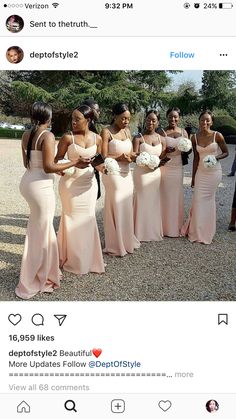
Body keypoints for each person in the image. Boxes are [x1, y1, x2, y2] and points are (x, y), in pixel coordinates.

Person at [15, 102, 83, 299]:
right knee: (44, 230)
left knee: (37, 228)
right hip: (41, 188)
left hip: (27, 182)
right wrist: (74, 162)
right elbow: (48, 167)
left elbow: (27, 163)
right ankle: (40, 274)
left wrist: (56, 169)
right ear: (49, 117)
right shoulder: (48, 135)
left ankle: (35, 268)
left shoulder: (26, 135)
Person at [56, 104, 105, 274]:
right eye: (72, 119)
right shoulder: (67, 138)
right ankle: (72, 259)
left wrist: (106, 169)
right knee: (71, 219)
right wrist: (64, 169)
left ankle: (88, 258)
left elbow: (98, 163)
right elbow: (57, 161)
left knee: (88, 219)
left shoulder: (98, 139)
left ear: (88, 120)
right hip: (70, 186)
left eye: (77, 119)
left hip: (89, 186)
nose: (73, 122)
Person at [182, 110, 228, 244]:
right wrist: (193, 177)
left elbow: (226, 152)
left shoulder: (217, 136)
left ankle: (207, 231)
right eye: (203, 120)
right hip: (201, 173)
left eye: (208, 120)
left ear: (211, 122)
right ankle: (196, 231)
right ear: (199, 121)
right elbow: (196, 158)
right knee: (197, 200)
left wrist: (216, 158)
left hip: (214, 173)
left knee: (208, 201)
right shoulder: (194, 137)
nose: (205, 122)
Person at [101, 102, 140, 256]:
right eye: (123, 118)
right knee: (116, 203)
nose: (126, 122)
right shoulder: (106, 132)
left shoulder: (128, 132)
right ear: (114, 116)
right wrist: (119, 157)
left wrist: (133, 156)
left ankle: (126, 239)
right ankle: (114, 242)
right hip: (113, 173)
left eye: (128, 119)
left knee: (126, 204)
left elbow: (131, 152)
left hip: (126, 172)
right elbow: (103, 155)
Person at [133, 110, 166, 241]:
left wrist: (157, 163)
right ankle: (139, 231)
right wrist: (141, 160)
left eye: (153, 120)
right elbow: (133, 156)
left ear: (158, 122)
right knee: (142, 199)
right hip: (141, 173)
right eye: (148, 119)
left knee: (153, 200)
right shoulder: (138, 138)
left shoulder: (162, 139)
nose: (150, 122)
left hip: (155, 174)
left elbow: (163, 157)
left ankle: (152, 230)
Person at [159, 107, 189, 237]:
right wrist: (166, 151)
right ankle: (163, 225)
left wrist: (185, 149)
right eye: (170, 116)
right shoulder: (161, 132)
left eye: (175, 117)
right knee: (164, 195)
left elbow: (189, 150)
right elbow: (158, 152)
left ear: (179, 118)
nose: (173, 119)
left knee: (176, 195)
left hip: (178, 167)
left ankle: (175, 226)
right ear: (167, 117)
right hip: (165, 166)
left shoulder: (184, 132)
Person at [82, 98, 102, 198]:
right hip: (86, 169)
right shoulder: (84, 127)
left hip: (94, 167)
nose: (99, 112)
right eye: (96, 110)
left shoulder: (93, 125)